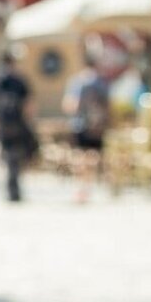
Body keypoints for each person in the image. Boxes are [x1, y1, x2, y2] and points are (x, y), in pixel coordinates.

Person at [0, 50, 38, 204]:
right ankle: (13, 188)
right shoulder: (19, 80)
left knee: (9, 155)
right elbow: (29, 103)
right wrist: (29, 121)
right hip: (17, 123)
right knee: (16, 155)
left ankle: (11, 188)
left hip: (3, 123)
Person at [62, 54, 112, 203]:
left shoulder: (77, 81)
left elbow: (70, 105)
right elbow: (108, 106)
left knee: (80, 156)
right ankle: (88, 186)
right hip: (97, 126)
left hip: (80, 124)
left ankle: (81, 189)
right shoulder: (102, 82)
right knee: (93, 156)